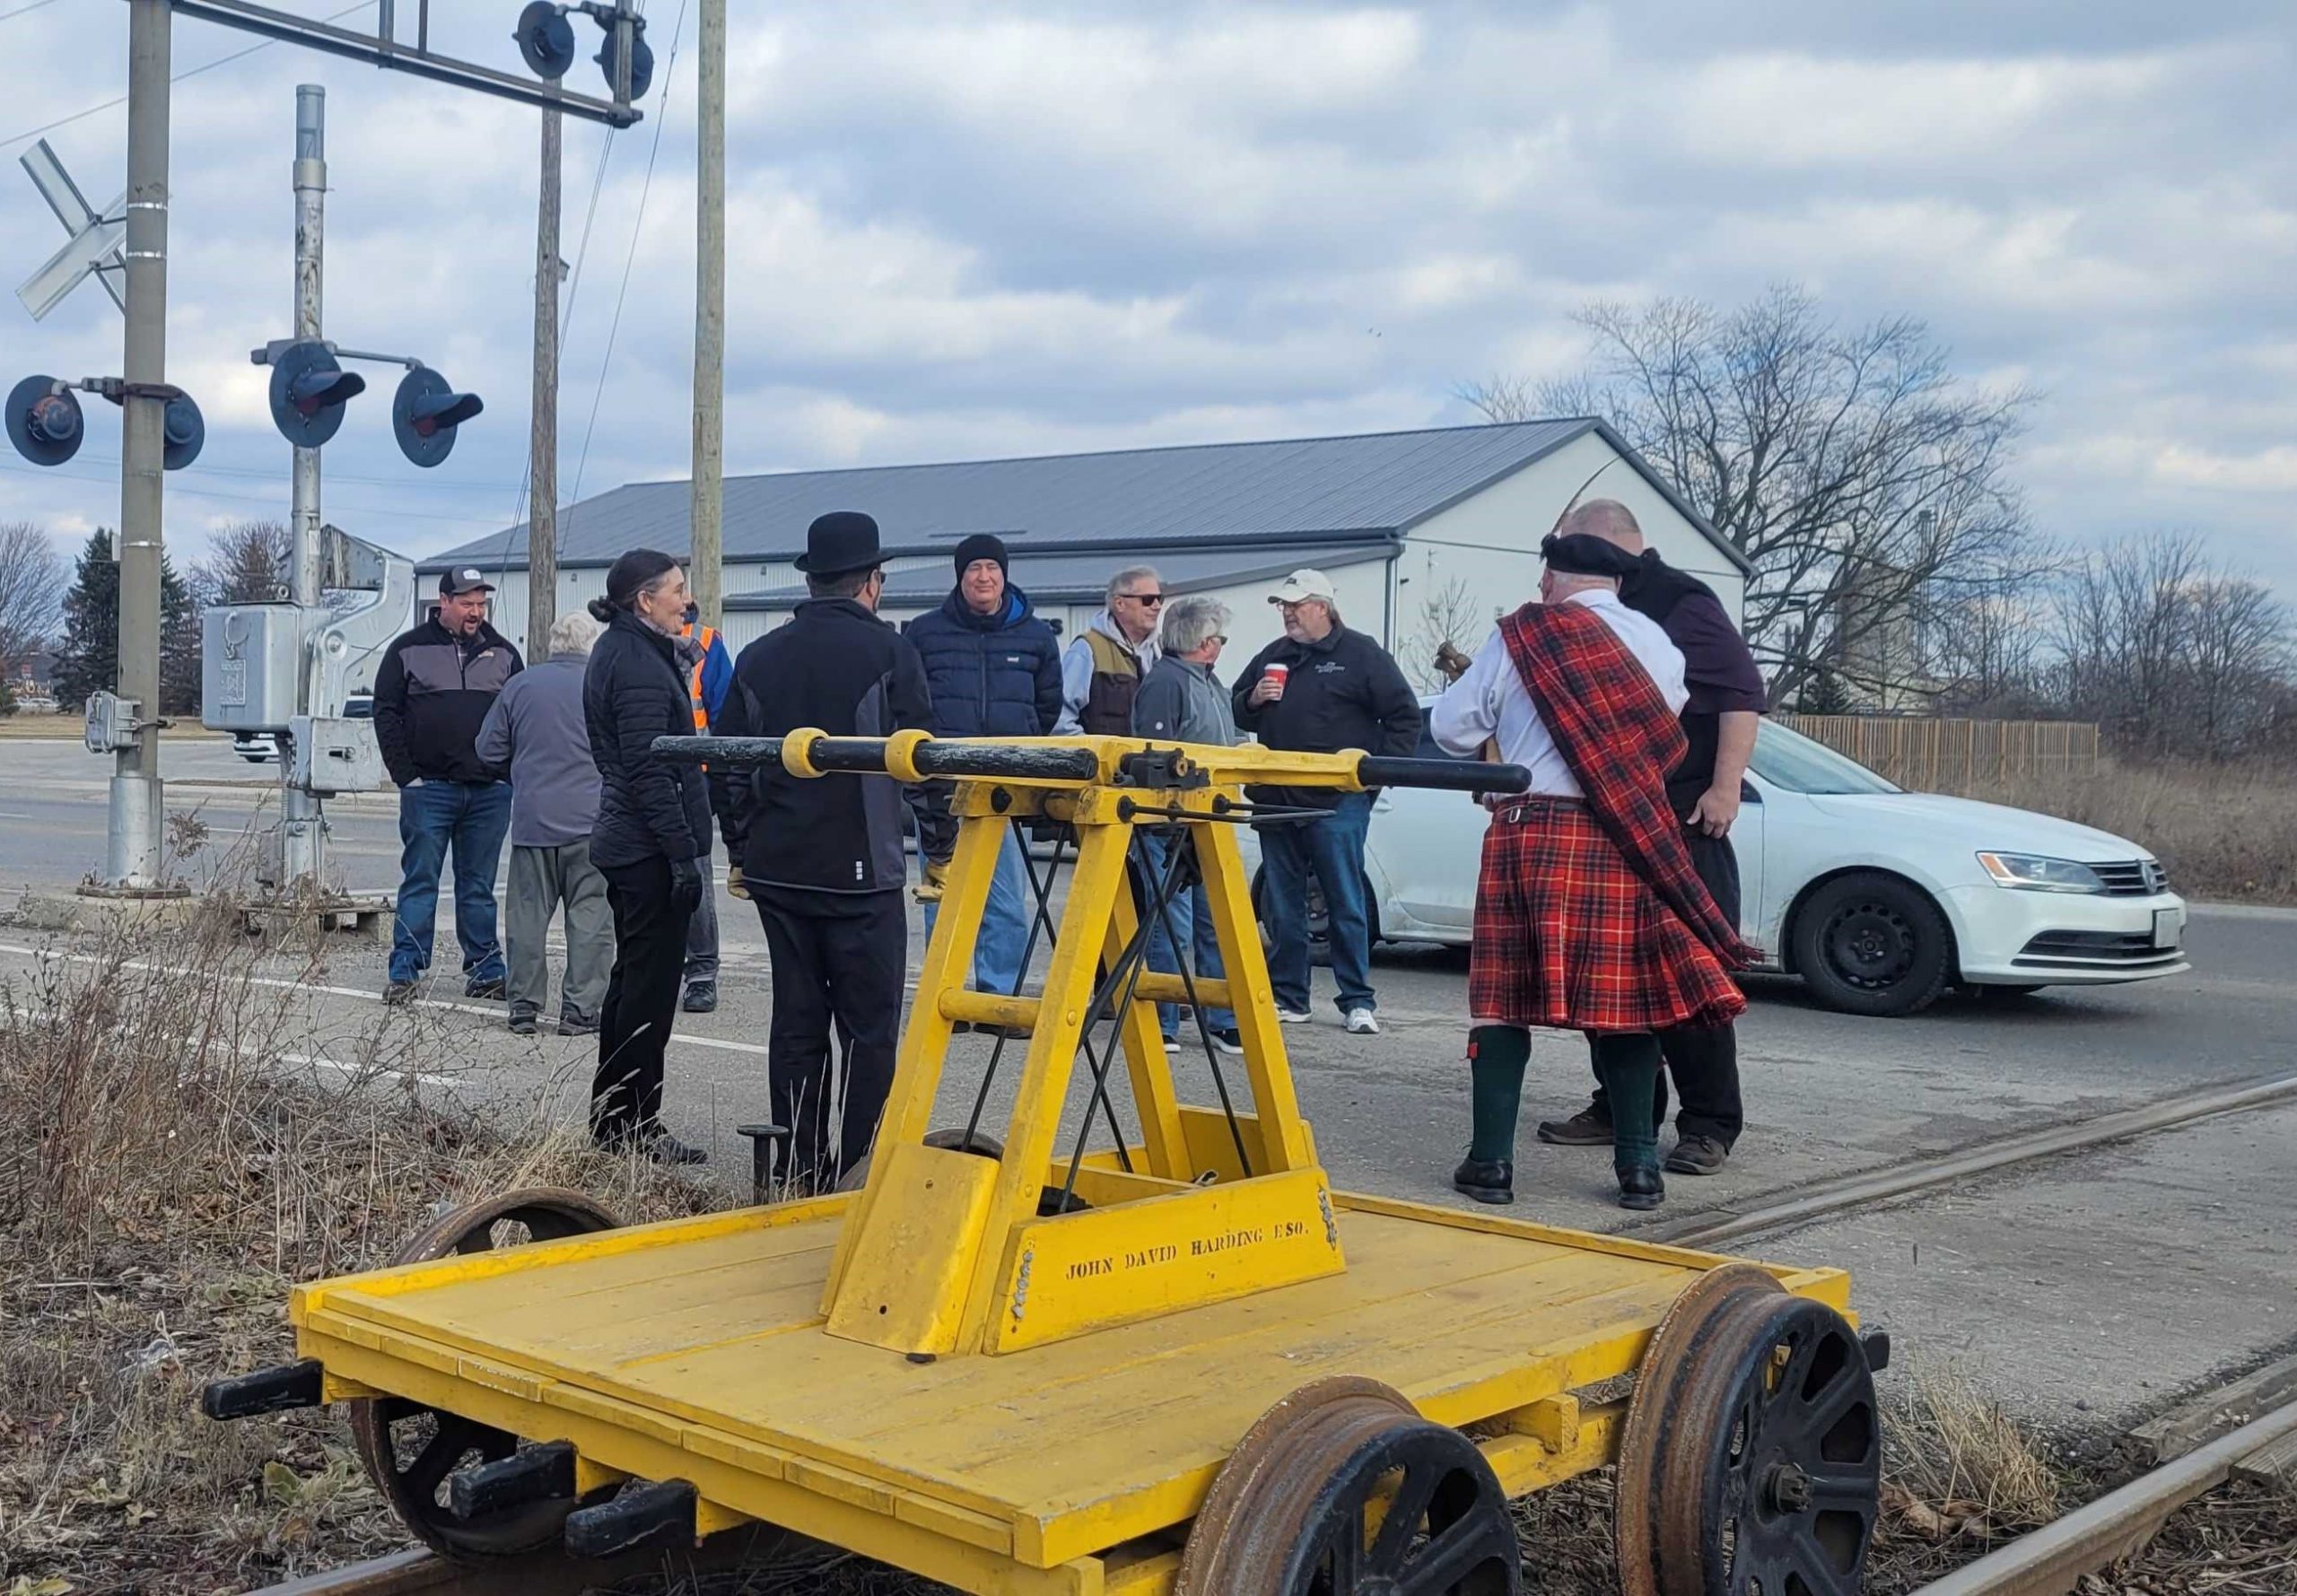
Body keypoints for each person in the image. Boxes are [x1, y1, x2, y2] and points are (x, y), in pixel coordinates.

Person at [1430, 532, 1757, 1211]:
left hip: (1531, 830)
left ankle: (1490, 1165)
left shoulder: (1523, 633)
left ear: (1552, 576)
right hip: (1621, 832)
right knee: (1623, 1005)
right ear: (1614, 581)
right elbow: (1659, 732)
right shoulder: (1658, 644)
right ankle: (1639, 1169)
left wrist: (1511, 724)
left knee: (1500, 1002)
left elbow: (1452, 728)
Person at [1532, 500, 1769, 1176]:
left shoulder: (1679, 600)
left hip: (1678, 821)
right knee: (1606, 976)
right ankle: (1622, 1107)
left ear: (1604, 546)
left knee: (1689, 977)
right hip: (1607, 819)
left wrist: (1724, 789)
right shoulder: (1576, 609)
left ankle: (1709, 1124)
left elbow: (1739, 695)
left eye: (1566, 551)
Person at [711, 512, 930, 1189]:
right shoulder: (891, 653)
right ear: (871, 582)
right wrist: (944, 851)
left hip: (781, 868)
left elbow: (725, 762)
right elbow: (927, 761)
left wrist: (741, 849)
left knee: (797, 1023)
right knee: (870, 1033)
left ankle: (800, 1166)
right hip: (863, 875)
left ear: (811, 579)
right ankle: (861, 1168)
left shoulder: (760, 655)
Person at [1229, 569, 1420, 1035]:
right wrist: (1253, 699)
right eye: (1282, 606)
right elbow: (1235, 705)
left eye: (1295, 605)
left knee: (1344, 898)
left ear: (1323, 606)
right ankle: (1290, 997)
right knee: (1283, 904)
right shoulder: (1274, 656)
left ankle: (1357, 1000)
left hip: (1337, 801)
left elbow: (1404, 717)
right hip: (1276, 799)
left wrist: (1374, 779)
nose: (1288, 614)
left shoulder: (1361, 654)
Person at [582, 549, 712, 1164]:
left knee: (633, 983)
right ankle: (634, 1123)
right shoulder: (633, 659)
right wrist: (682, 853)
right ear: (644, 600)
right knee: (648, 991)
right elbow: (647, 767)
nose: (685, 600)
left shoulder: (634, 647)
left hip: (636, 840)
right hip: (644, 846)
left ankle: (615, 1119)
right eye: (677, 590)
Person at [903, 533, 1063, 1001]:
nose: (983, 577)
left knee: (1006, 900)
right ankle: (944, 992)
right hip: (944, 787)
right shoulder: (926, 632)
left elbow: (1048, 704)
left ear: (1005, 574)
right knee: (944, 893)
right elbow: (910, 701)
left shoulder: (1034, 635)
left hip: (1003, 786)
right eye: (974, 568)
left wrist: (1025, 741)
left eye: (992, 567)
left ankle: (1000, 994)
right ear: (960, 576)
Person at [372, 567, 523, 1006]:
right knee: (420, 881)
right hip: (429, 790)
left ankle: (485, 971)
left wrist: (506, 773)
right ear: (443, 602)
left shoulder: (504, 655)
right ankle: (405, 972)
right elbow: (386, 713)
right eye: (466, 603)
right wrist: (406, 775)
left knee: (478, 886)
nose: (475, 611)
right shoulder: (407, 651)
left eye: (480, 603)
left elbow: (520, 717)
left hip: (488, 792)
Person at [476, 611, 614, 1037]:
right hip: (592, 823)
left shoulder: (520, 685)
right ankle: (581, 1010)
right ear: (592, 645)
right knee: (590, 917)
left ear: (551, 644)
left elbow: (487, 749)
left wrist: (521, 771)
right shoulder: (603, 685)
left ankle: (523, 1006)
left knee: (527, 917)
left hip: (534, 822)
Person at [1132, 595, 1243, 1054]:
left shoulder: (1213, 685)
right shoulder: (1166, 684)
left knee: (1213, 922)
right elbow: (1155, 754)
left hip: (1209, 819)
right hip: (1169, 824)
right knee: (1170, 924)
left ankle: (1220, 1018)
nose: (1220, 645)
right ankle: (1166, 1017)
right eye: (1217, 636)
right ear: (1201, 641)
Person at [677, 604, 734, 1016]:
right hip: (643, 777)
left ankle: (700, 973)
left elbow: (725, 716)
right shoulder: (627, 641)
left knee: (695, 876)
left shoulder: (708, 641)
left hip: (693, 775)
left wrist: (721, 779)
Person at [1061, 565, 1164, 734]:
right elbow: (1060, 719)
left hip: (1151, 759)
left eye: (1160, 598)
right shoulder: (1088, 649)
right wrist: (1092, 755)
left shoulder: (1162, 653)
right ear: (1120, 603)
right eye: (1148, 599)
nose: (1157, 606)